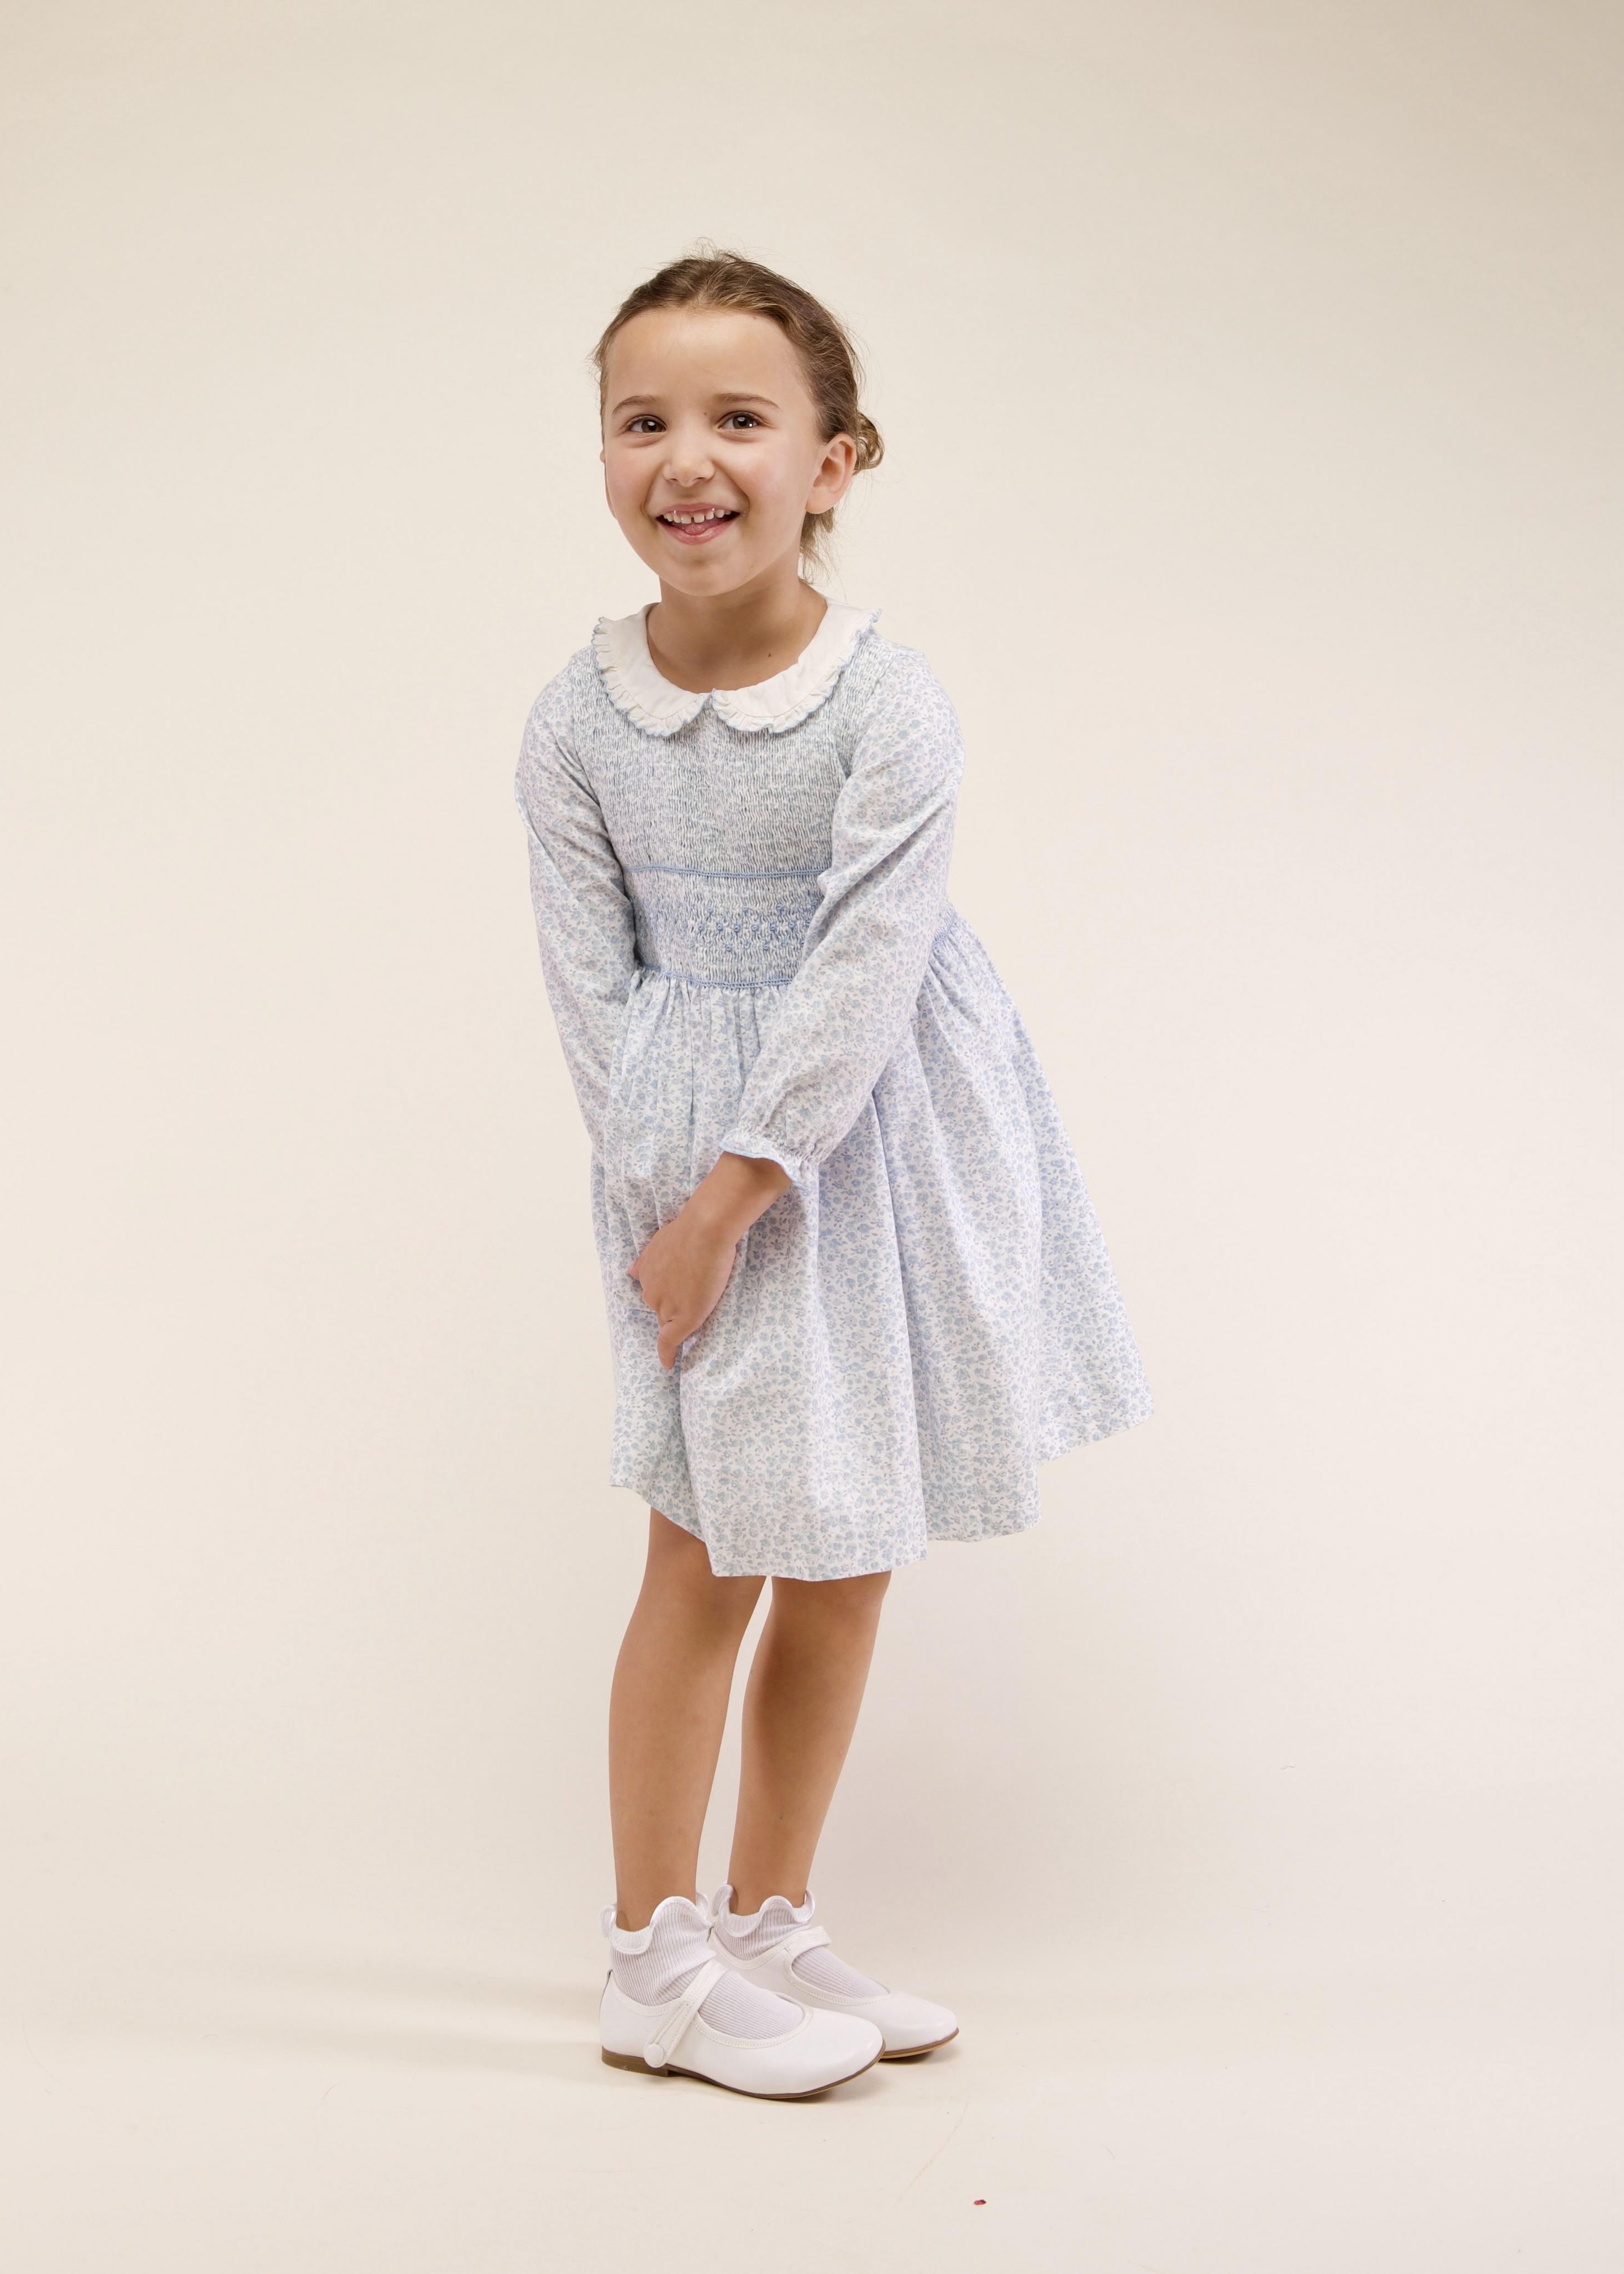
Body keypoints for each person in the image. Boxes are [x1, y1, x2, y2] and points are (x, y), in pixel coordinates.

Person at [516, 250, 1152, 2100]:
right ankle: (652, 1959)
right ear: (604, 453)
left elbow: (872, 963)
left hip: (870, 1139)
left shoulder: (891, 702)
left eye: (740, 418)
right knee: (706, 1543)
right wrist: (677, 1205)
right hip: (685, 1177)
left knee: (849, 1545)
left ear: (833, 460)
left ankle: (769, 1916)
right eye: (643, 420)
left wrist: (751, 1184)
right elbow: (588, 986)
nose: (687, 458)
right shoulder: (574, 723)